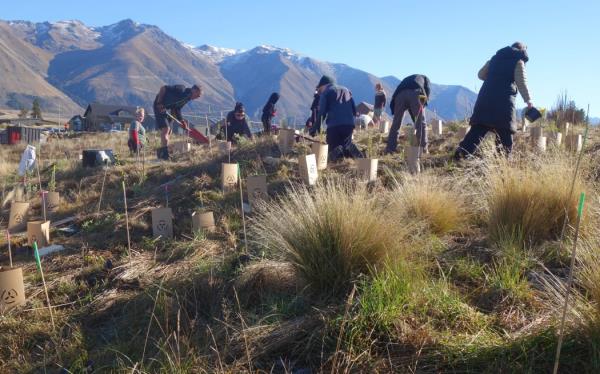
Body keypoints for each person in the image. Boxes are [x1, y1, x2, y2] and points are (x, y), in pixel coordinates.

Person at [455, 42, 533, 158]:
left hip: (485, 98)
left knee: (478, 128)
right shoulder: (518, 61)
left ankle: (461, 154)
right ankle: (502, 162)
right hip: (504, 103)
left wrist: (495, 77)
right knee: (505, 131)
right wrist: (528, 100)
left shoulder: (495, 59)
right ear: (523, 51)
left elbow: (481, 75)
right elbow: (521, 83)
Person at [309, 75, 363, 160]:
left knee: (333, 151)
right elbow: (354, 110)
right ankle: (359, 157)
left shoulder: (326, 92)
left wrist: (315, 129)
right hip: (349, 124)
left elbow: (321, 113)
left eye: (319, 89)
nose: (319, 92)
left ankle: (338, 155)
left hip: (334, 125)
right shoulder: (346, 90)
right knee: (345, 145)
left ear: (323, 85)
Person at [153, 84, 202, 160]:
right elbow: (163, 88)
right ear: (194, 90)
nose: (198, 97)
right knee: (166, 129)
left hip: (170, 110)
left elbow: (177, 109)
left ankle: (161, 152)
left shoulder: (187, 98)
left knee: (169, 132)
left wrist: (182, 121)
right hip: (160, 107)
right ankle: (165, 155)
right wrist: (159, 102)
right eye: (198, 95)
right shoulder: (181, 89)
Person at [386, 74, 430, 154]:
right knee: (421, 123)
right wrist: (423, 106)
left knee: (396, 123)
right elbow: (427, 92)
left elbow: (410, 107)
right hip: (415, 93)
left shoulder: (407, 79)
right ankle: (423, 149)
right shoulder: (425, 79)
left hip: (399, 96)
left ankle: (390, 149)